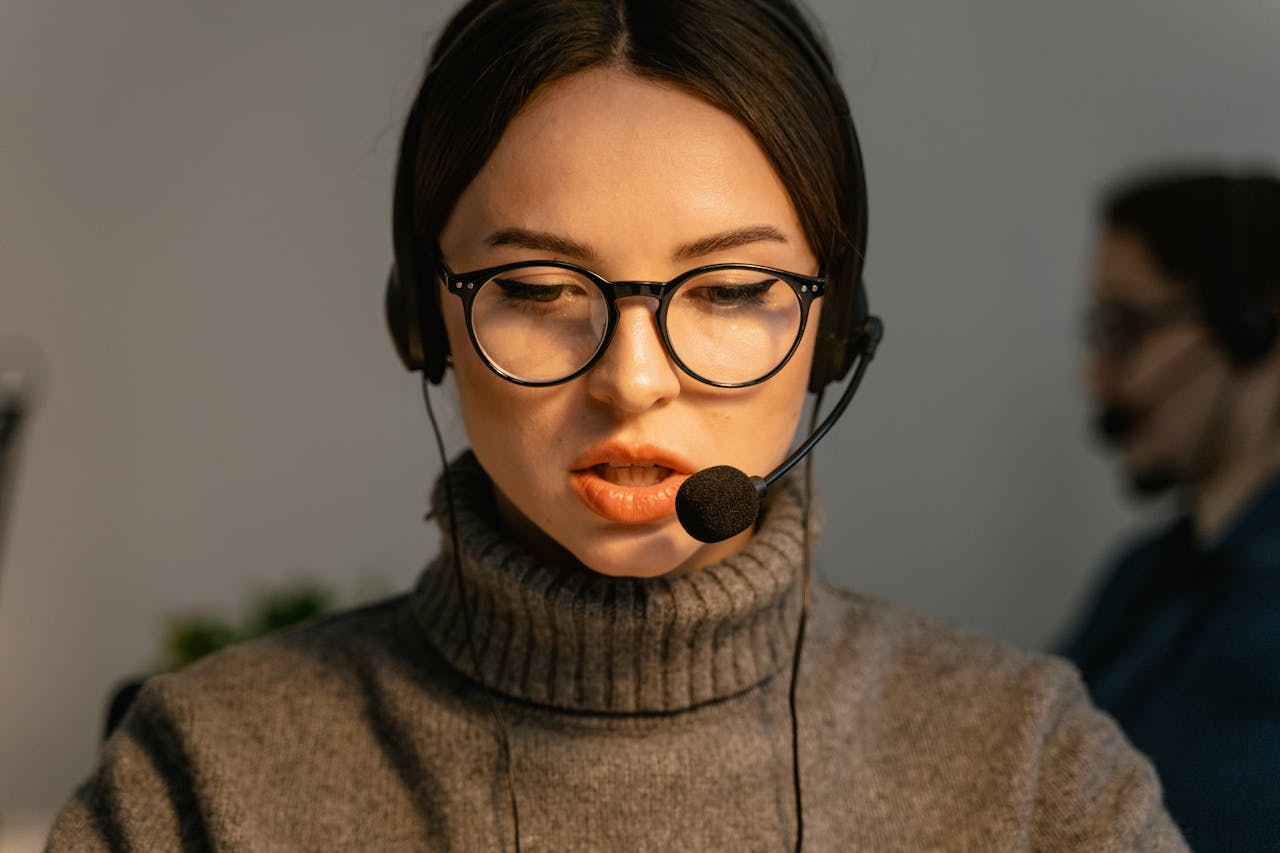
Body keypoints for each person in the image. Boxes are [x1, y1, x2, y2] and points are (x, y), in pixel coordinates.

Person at [49, 1, 1185, 849]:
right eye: (538, 290)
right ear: (423, 319)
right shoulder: (200, 780)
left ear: (831, 330)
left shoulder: (1033, 775)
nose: (631, 381)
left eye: (732, 289)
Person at [1061, 170, 1280, 851]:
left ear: (1254, 327)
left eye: (1125, 328)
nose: (1095, 375)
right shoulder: (1140, 576)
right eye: (1097, 331)